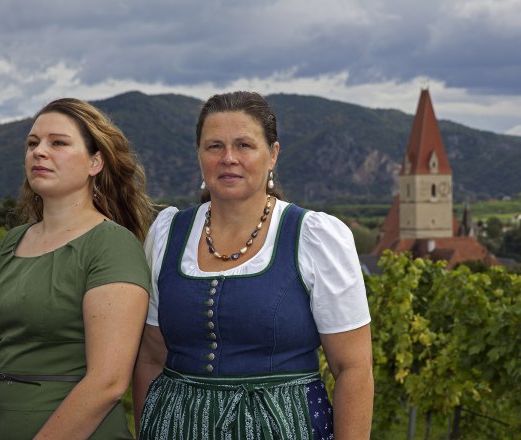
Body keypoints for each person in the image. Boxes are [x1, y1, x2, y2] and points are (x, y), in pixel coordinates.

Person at [133, 91, 374, 439]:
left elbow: (352, 368)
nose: (228, 158)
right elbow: (152, 357)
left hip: (285, 426)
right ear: (200, 155)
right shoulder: (168, 234)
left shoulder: (314, 237)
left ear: (272, 154)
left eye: (244, 145)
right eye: (214, 146)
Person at [0, 98, 153, 439]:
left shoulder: (112, 246)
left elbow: (108, 382)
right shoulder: (12, 243)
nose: (39, 151)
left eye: (59, 143)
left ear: (95, 161)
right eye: (33, 143)